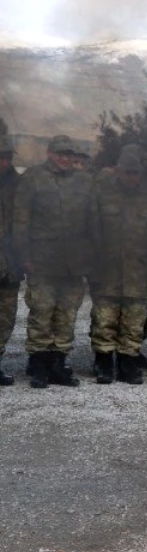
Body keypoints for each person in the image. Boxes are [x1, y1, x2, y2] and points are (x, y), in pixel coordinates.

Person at [12, 135, 93, 388]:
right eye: (60, 153)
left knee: (67, 315)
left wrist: (90, 256)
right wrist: (24, 255)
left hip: (73, 262)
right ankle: (38, 364)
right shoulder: (33, 179)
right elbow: (21, 220)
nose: (65, 158)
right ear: (49, 153)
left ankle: (59, 362)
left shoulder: (84, 181)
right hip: (42, 261)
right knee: (41, 313)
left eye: (69, 154)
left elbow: (92, 222)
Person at [87, 148, 147, 385]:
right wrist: (93, 269)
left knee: (134, 322)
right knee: (104, 320)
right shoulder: (102, 196)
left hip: (138, 274)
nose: (132, 177)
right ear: (118, 171)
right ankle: (104, 362)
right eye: (128, 172)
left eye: (136, 173)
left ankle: (129, 362)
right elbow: (92, 235)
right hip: (108, 272)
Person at [0, 135, 20, 386]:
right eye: (0, 158)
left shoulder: (19, 185)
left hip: (10, 263)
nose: (4, 163)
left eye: (7, 158)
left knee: (6, 317)